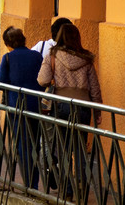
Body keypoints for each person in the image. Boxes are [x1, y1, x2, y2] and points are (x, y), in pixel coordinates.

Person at [38, 23, 102, 197]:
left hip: (61, 105)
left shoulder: (53, 55)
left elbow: (42, 80)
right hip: (83, 107)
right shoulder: (86, 59)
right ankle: (81, 187)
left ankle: (67, 189)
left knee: (62, 147)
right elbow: (95, 88)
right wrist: (97, 112)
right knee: (80, 147)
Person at [0, 26, 44, 190]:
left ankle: (31, 185)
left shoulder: (8, 58)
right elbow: (43, 80)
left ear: (8, 43)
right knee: (35, 144)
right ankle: (35, 181)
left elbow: (0, 82)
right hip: (35, 107)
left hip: (17, 108)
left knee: (23, 146)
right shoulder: (36, 56)